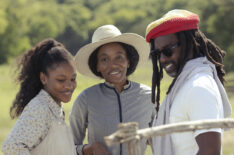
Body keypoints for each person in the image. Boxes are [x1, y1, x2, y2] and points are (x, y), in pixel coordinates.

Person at [145, 9, 232, 155]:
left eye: (167, 51)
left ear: (190, 44)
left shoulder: (199, 87)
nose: (162, 59)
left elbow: (210, 151)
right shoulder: (184, 86)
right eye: (157, 54)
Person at [69, 24, 156, 155]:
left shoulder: (148, 97)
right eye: (104, 59)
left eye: (119, 57)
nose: (113, 64)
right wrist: (90, 149)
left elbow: (161, 143)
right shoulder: (86, 99)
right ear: (97, 66)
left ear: (128, 61)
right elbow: (68, 148)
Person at [2, 38, 77, 155]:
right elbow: (12, 147)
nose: (69, 85)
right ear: (44, 78)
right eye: (61, 80)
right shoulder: (40, 108)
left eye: (73, 79)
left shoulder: (56, 110)